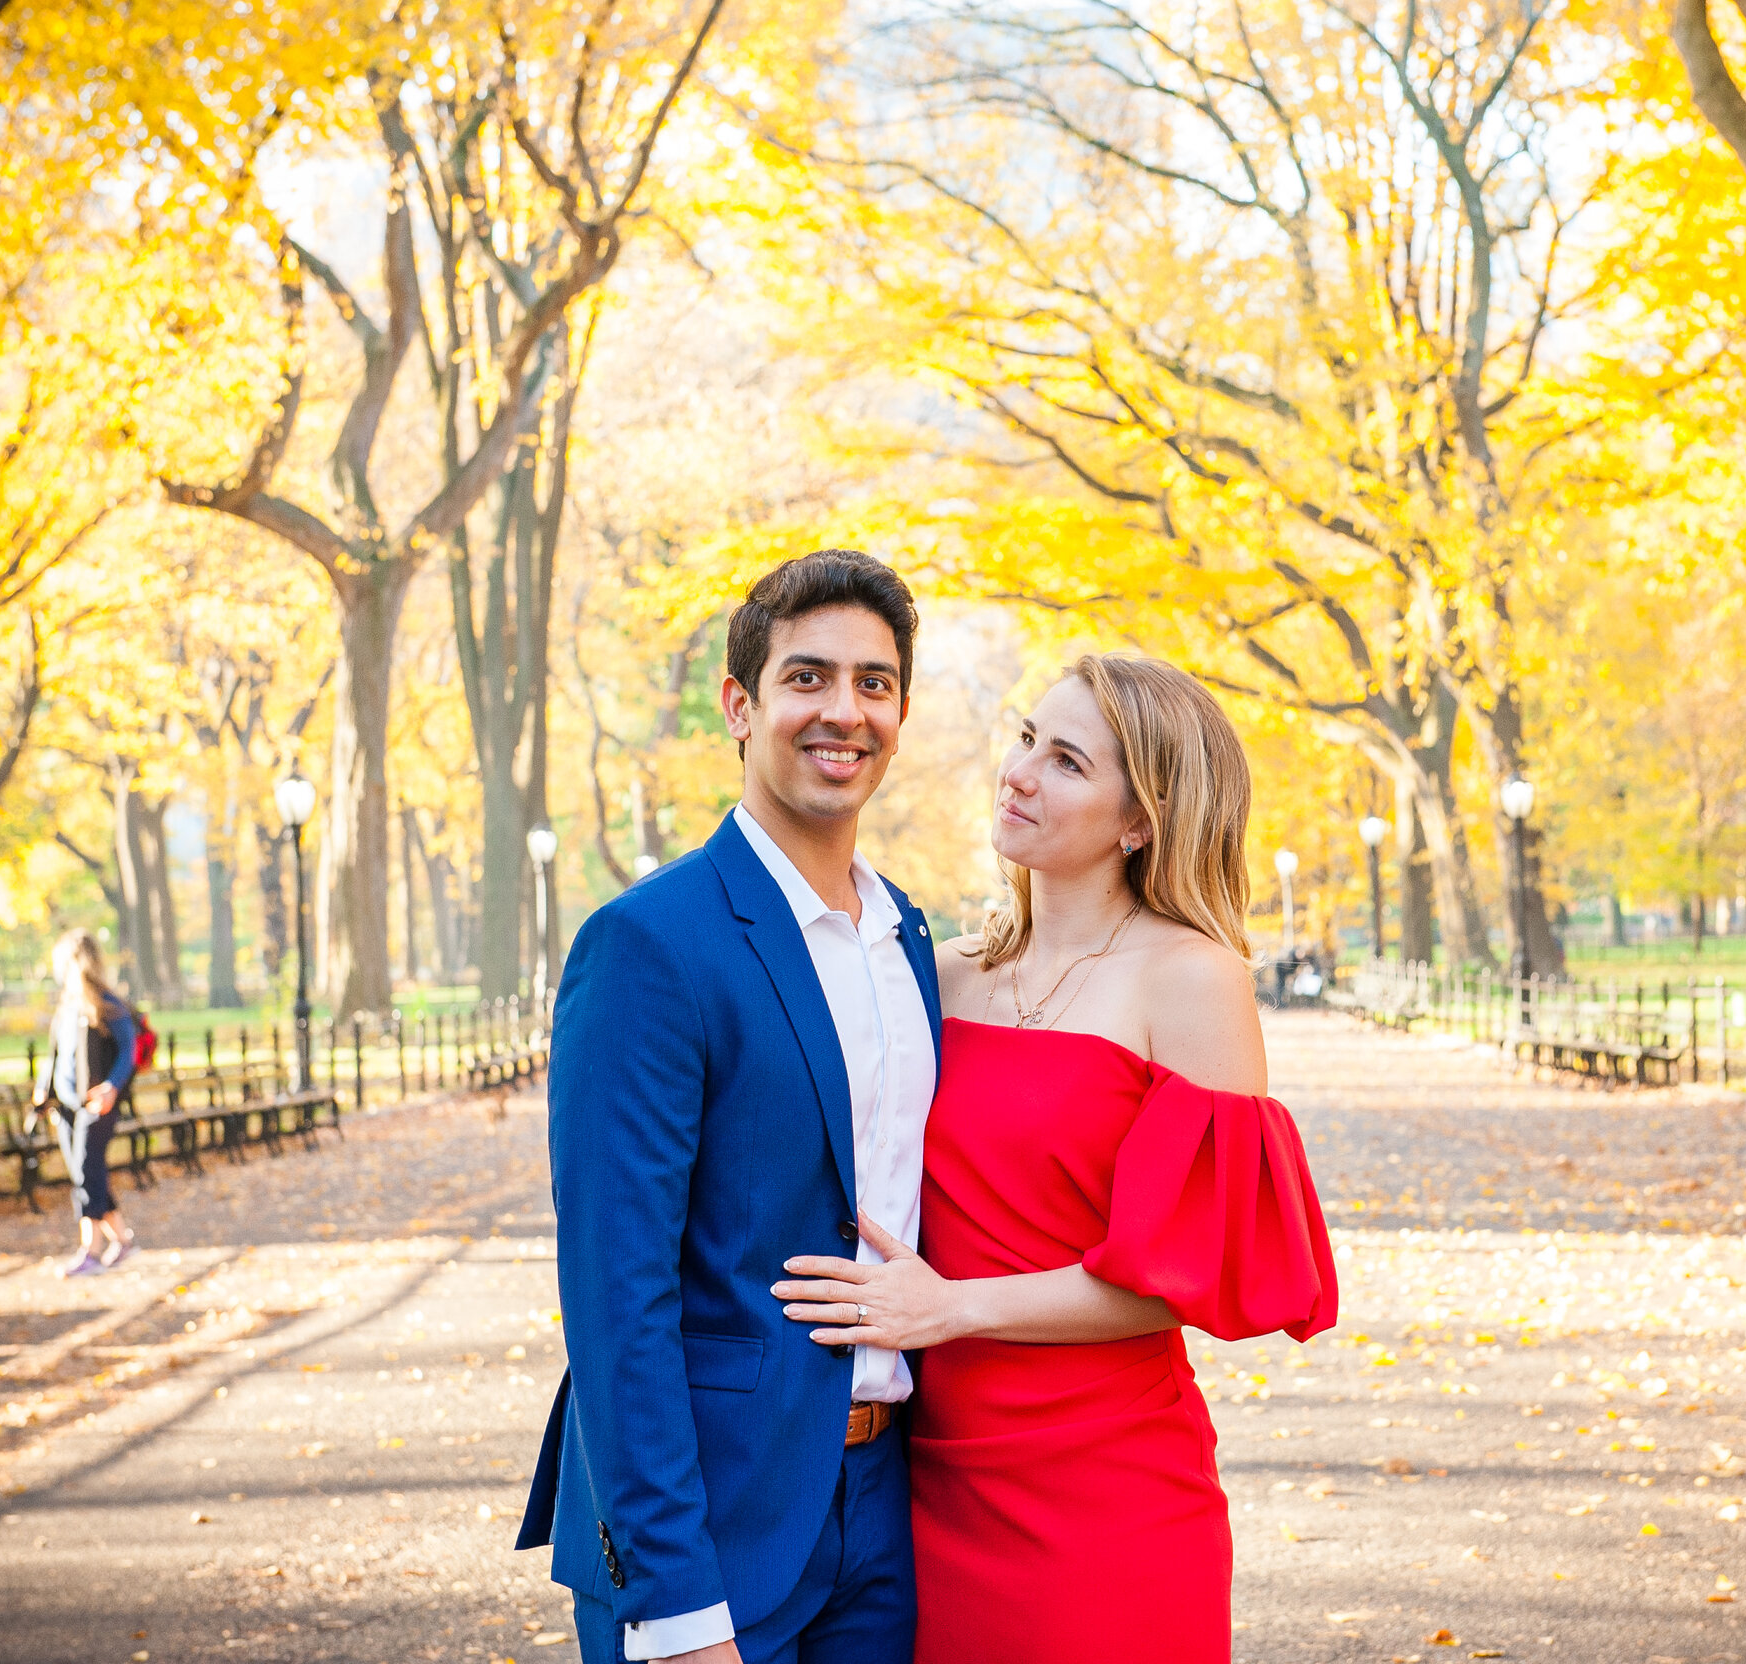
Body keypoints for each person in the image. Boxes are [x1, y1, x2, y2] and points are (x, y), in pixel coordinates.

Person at [770, 653, 1340, 1664]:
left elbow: (1186, 1278)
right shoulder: (932, 971)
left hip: (1108, 1483)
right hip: (929, 1476)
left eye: (1067, 760)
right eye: (1027, 736)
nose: (1020, 771)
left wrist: (953, 1307)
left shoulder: (1192, 979)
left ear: (1140, 822)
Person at [519, 550, 939, 1664]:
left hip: (887, 1508)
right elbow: (617, 1293)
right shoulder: (651, 943)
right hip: (712, 1524)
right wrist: (676, 1603)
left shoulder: (913, 942)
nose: (842, 710)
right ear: (740, 705)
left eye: (874, 682)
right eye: (807, 677)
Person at [30, 928, 141, 1277]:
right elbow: (54, 1055)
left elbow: (129, 1051)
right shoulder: (66, 1005)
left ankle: (90, 1251)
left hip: (96, 1105)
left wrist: (111, 1086)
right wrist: (43, 1092)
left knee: (87, 1173)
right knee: (85, 1174)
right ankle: (122, 1241)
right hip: (65, 1108)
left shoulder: (108, 1005)